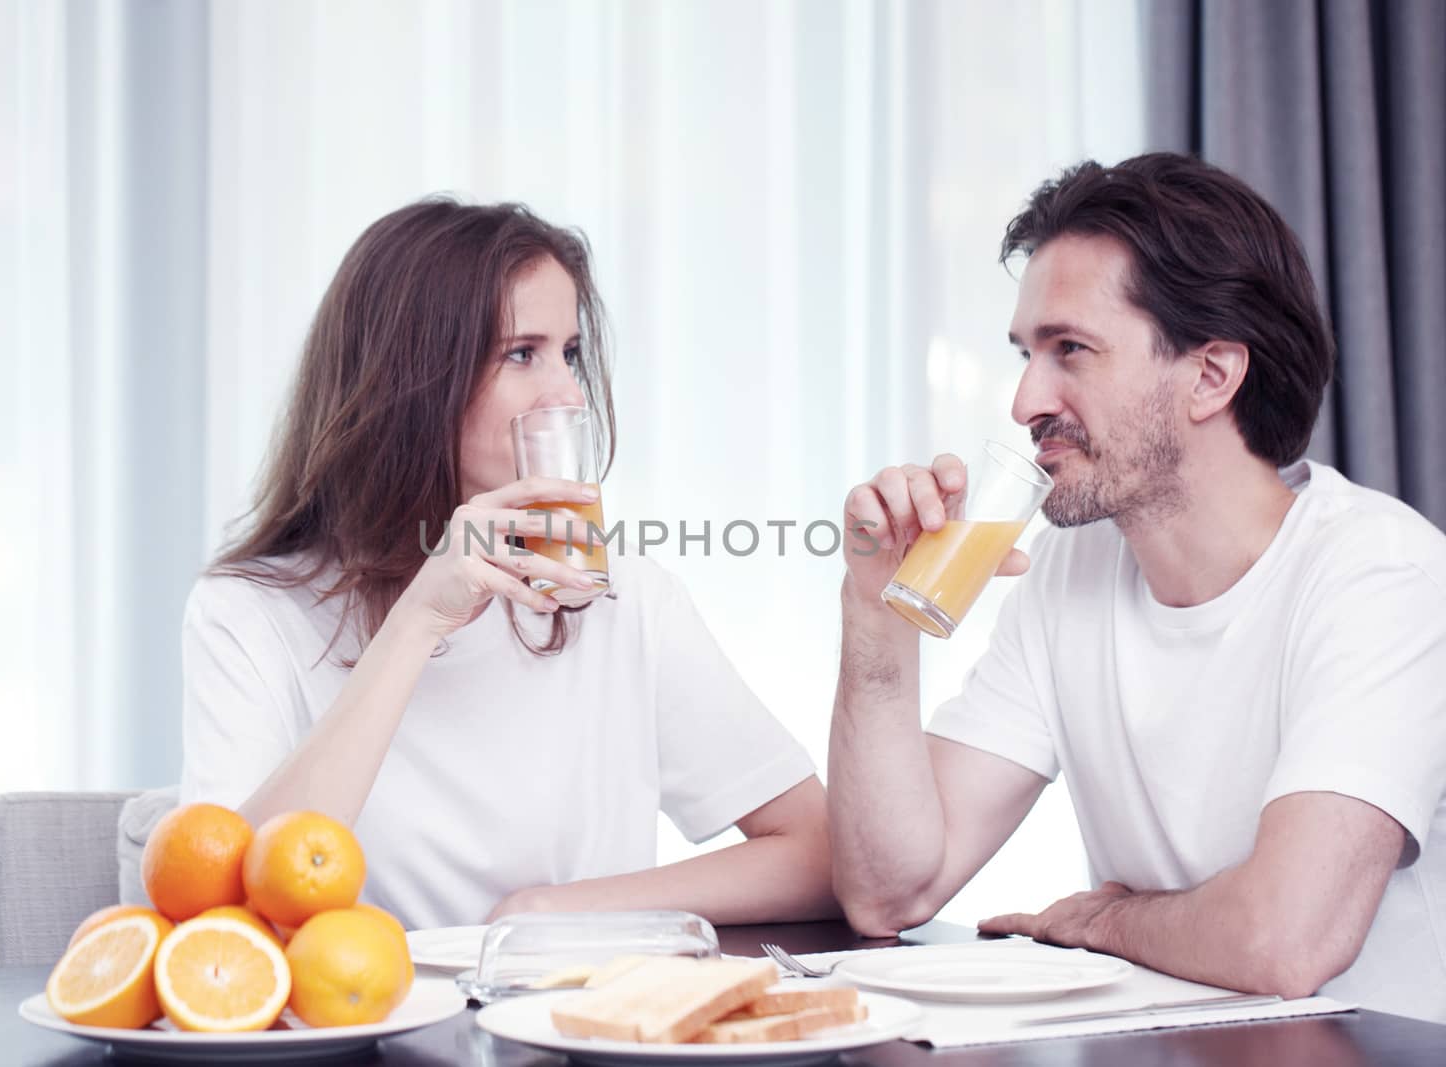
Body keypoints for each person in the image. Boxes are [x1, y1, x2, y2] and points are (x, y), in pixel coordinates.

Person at [828, 153, 1446, 1022]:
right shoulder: (1070, 579)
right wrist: (873, 620)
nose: (1023, 400)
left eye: (1069, 350)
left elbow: (1285, 941)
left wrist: (1103, 919)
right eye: (1025, 353)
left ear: (1211, 376)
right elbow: (890, 890)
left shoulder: (1381, 576)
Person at [181, 198, 833, 931]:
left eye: (571, 353)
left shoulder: (625, 601)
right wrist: (418, 621)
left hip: (574, 1026)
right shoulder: (252, 610)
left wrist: (547, 912)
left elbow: (817, 849)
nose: (567, 393)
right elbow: (223, 911)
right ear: (410, 380)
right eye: (523, 353)